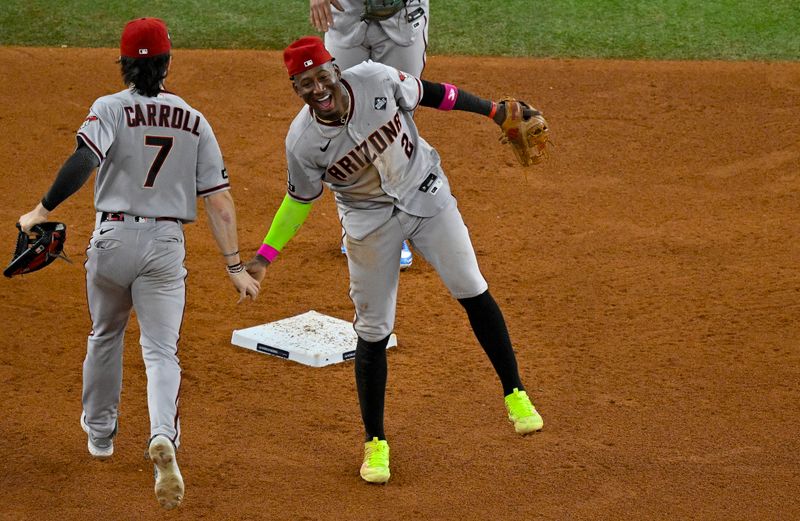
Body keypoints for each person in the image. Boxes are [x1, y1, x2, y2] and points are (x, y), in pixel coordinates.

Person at [246, 36, 543, 484]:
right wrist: (265, 256)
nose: (318, 89)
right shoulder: (302, 142)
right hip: (368, 224)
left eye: (322, 76)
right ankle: (375, 443)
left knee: (471, 286)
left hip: (426, 194)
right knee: (373, 328)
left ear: (335, 69)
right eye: (305, 84)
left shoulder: (377, 79)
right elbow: (298, 201)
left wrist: (492, 111)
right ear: (295, 88)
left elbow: (436, 94)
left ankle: (515, 393)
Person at [17, 18, 260, 509]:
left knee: (105, 334)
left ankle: (101, 436)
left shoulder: (108, 108)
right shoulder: (194, 119)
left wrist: (43, 210)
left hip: (111, 239)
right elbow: (220, 202)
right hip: (166, 246)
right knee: (160, 351)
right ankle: (162, 434)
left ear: (125, 65)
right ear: (167, 63)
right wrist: (234, 265)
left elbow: (83, 162)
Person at [309, 0, 430, 269]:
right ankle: (356, 223)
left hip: (403, 16)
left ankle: (395, 227)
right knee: (340, 118)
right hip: (345, 13)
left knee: (396, 120)